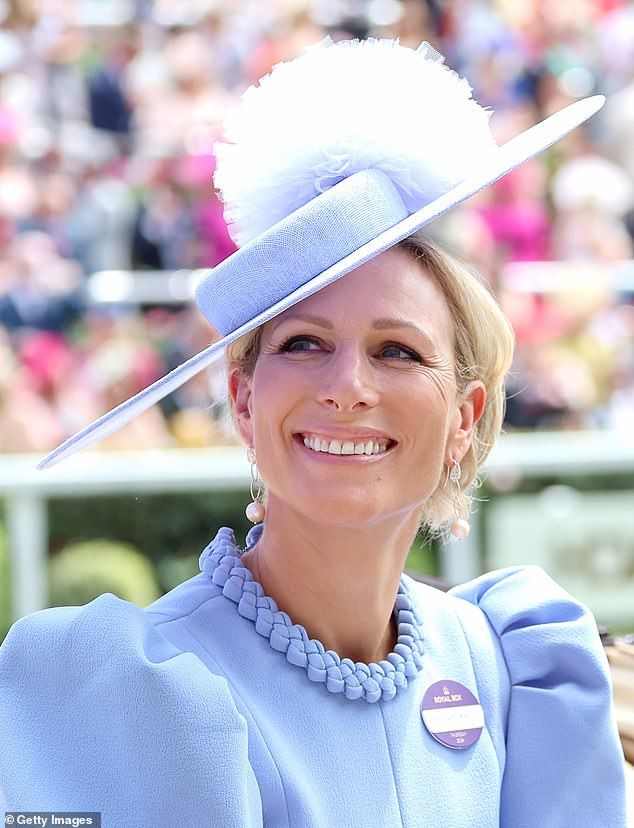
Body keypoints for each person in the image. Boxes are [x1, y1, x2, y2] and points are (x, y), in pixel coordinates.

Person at [0, 37, 627, 827]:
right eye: (304, 345)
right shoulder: (132, 691)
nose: (348, 389)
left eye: (397, 351)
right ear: (244, 401)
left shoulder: (511, 665)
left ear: (464, 420)